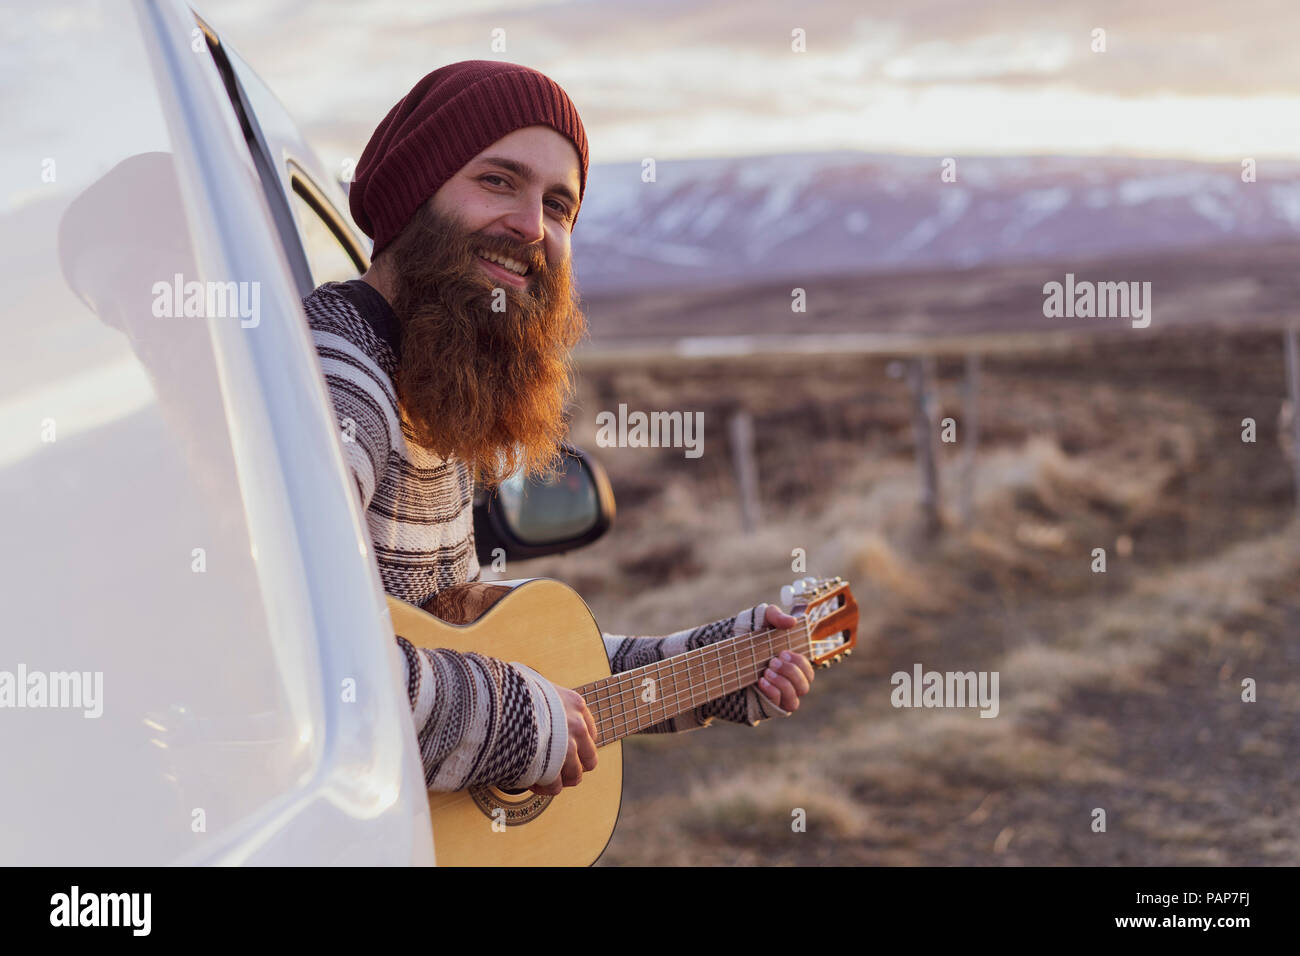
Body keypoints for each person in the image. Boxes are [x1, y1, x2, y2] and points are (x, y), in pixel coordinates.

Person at [302, 60, 815, 797]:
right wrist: (517, 722)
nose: (530, 227)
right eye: (498, 181)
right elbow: (300, 663)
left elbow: (485, 661)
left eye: (559, 206)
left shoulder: (421, 384)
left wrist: (715, 668)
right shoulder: (341, 383)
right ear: (416, 194)